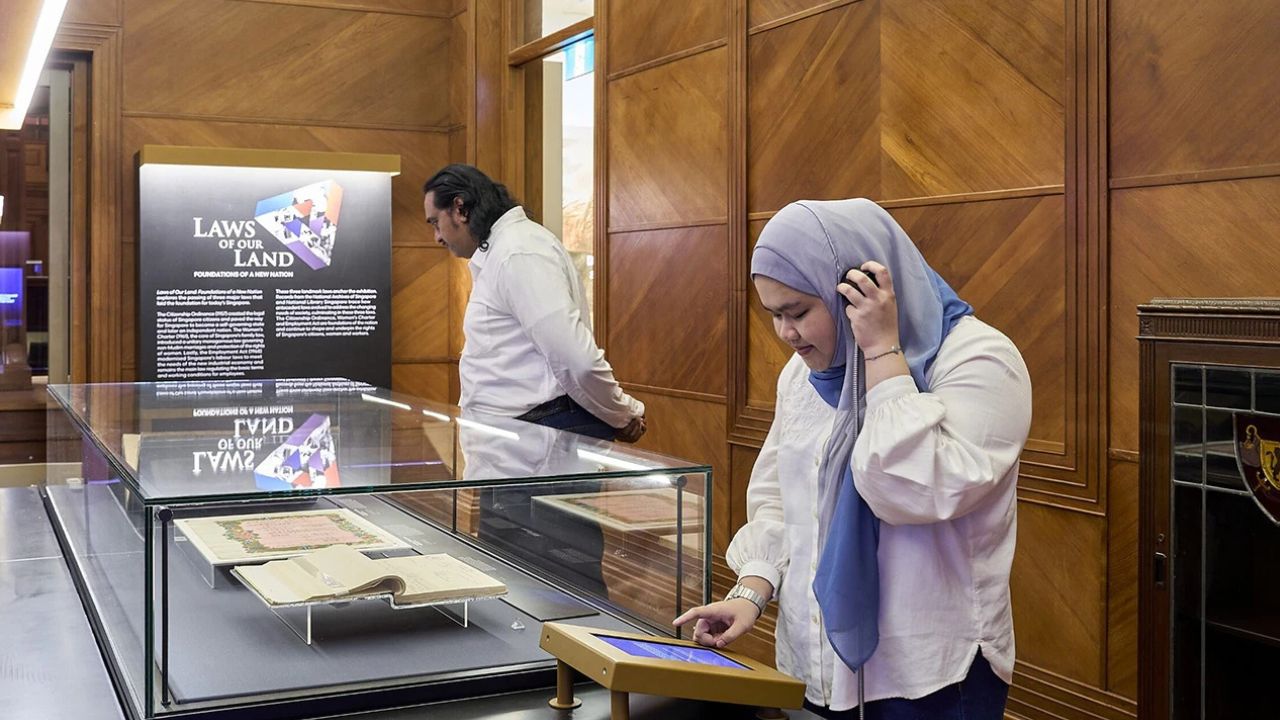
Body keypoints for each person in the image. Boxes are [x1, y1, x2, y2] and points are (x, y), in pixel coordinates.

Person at [674, 199, 1031, 719]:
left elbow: (909, 490)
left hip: (927, 673)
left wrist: (883, 352)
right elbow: (780, 498)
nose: (786, 334)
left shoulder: (980, 360)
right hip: (815, 660)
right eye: (774, 315)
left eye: (798, 312)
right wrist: (751, 591)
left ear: (858, 288)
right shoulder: (804, 376)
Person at [422, 163, 645, 442]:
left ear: (460, 208)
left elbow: (576, 360)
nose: (437, 237)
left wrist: (623, 413)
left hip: (540, 438)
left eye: (435, 222)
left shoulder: (519, 252)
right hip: (522, 439)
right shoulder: (505, 250)